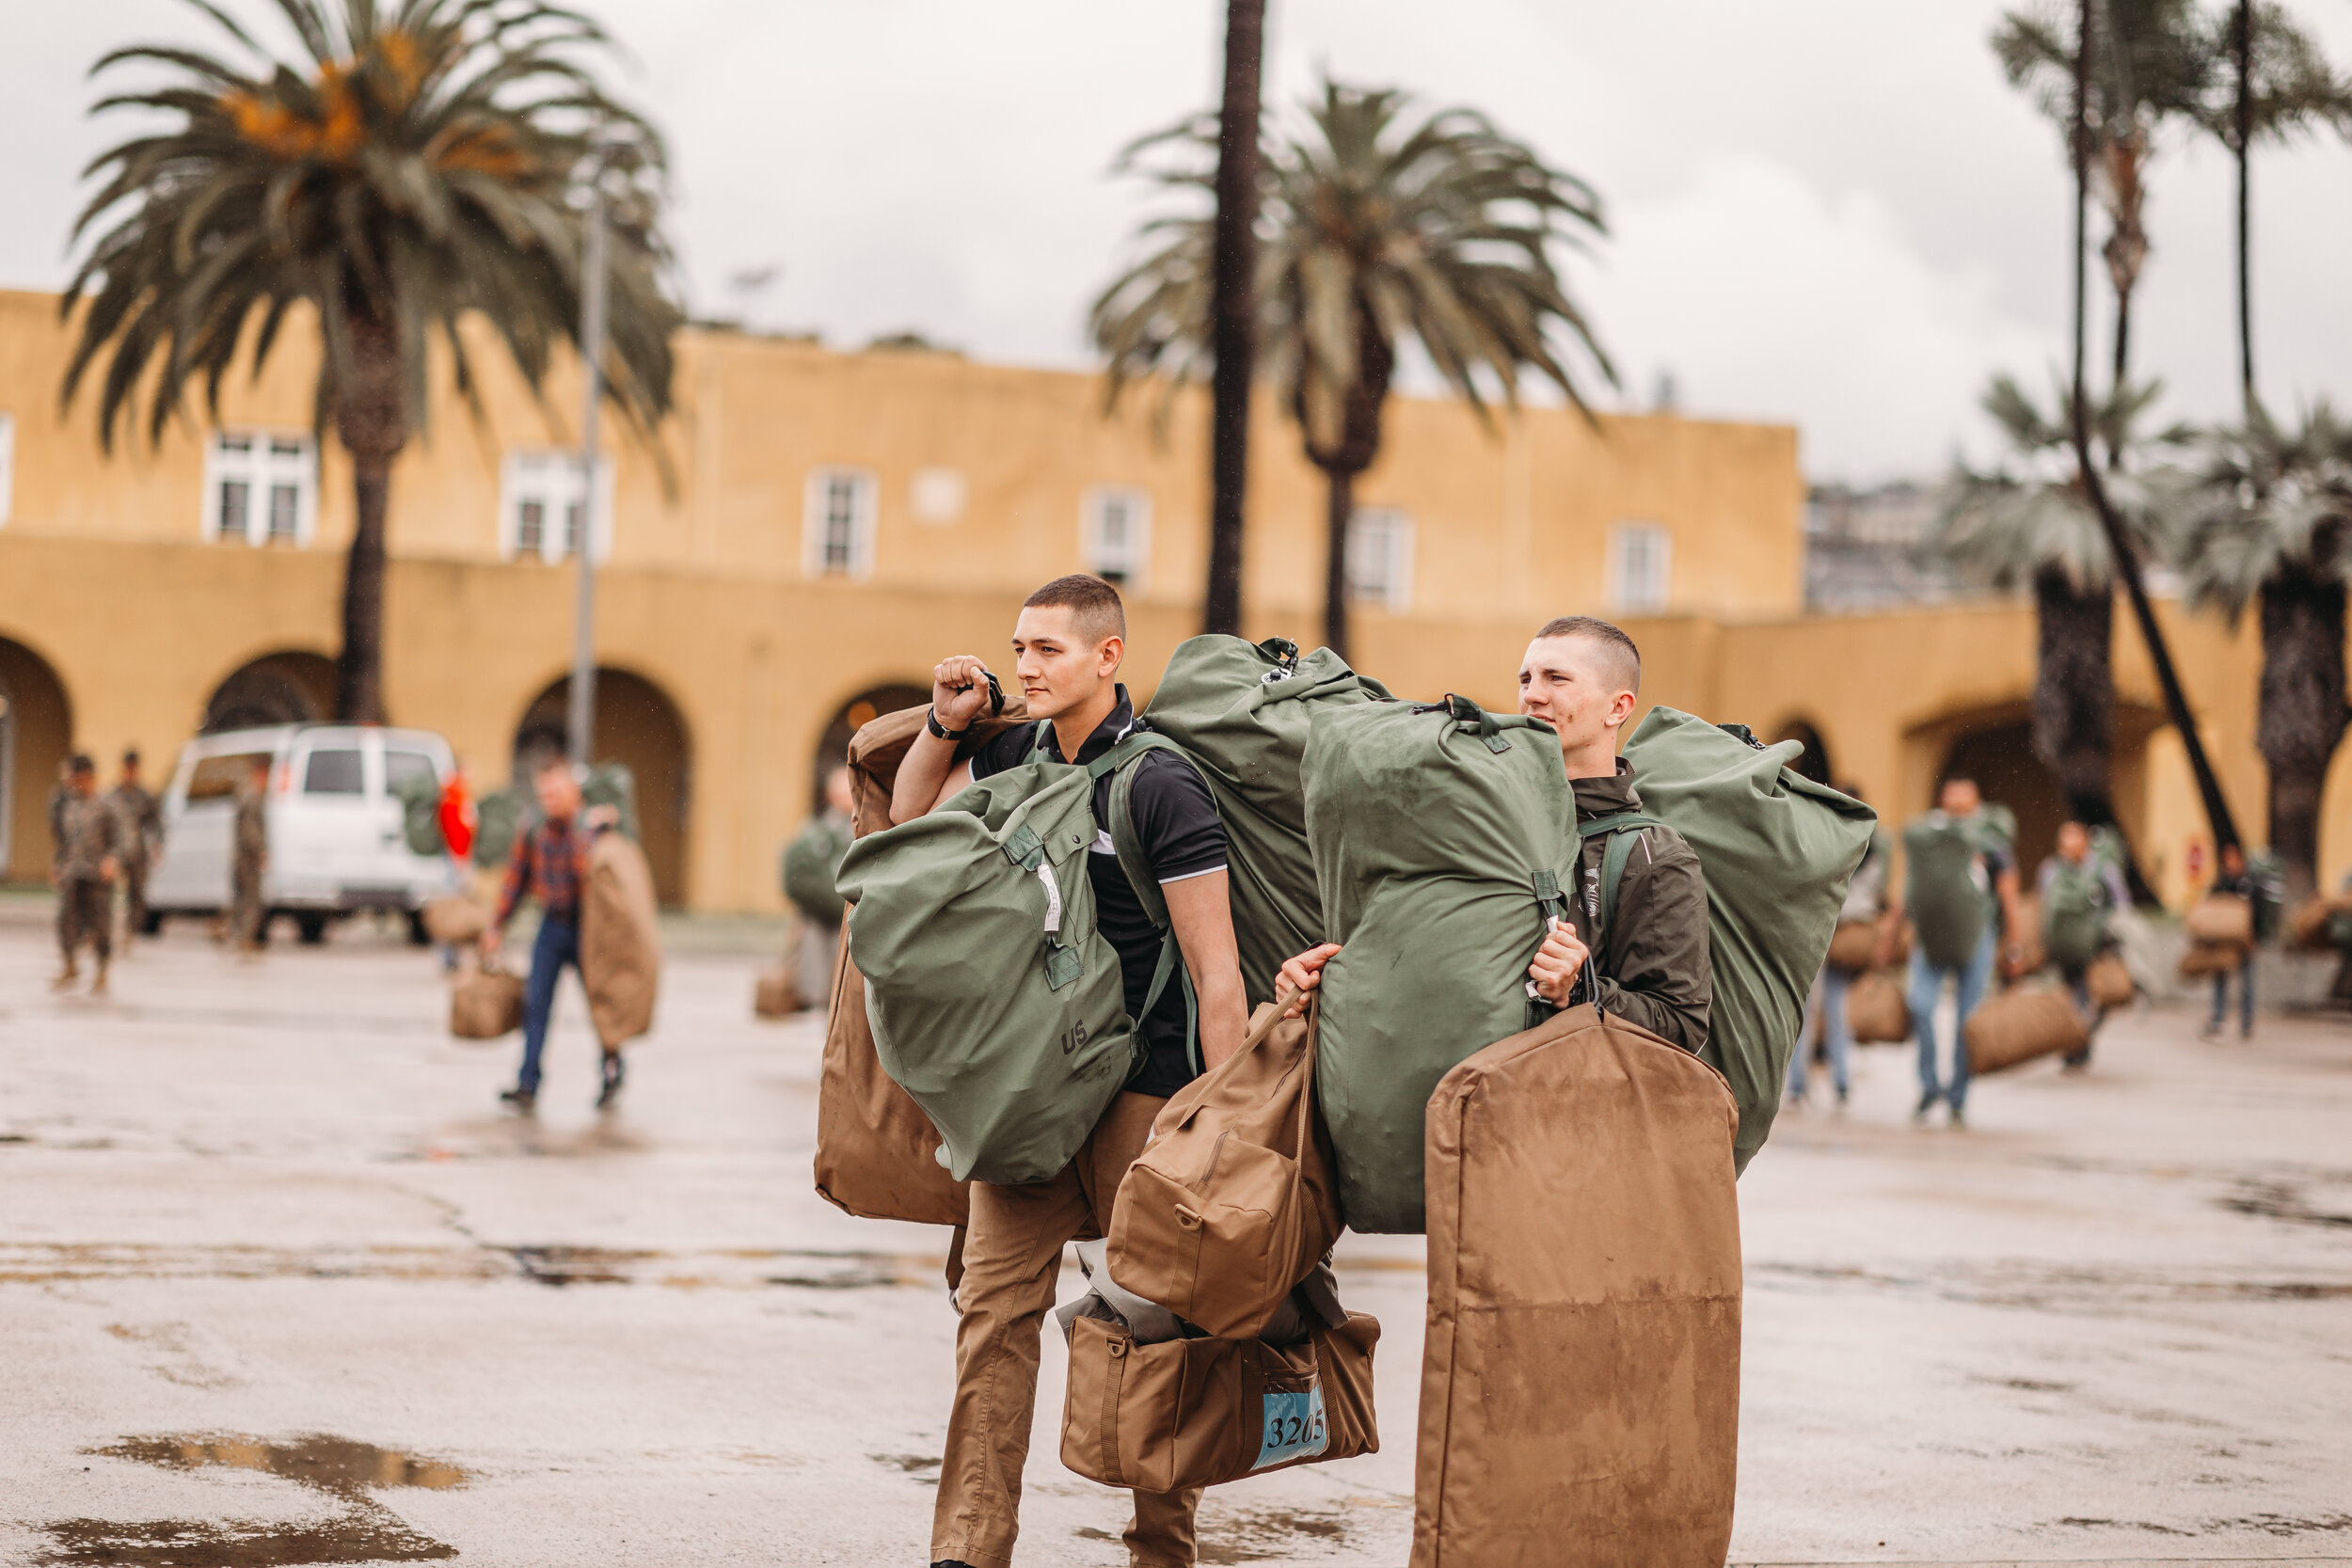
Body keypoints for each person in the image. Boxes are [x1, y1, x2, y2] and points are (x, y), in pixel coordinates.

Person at [887, 574, 1248, 1568]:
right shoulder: (1012, 749)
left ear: (1107, 656)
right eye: (1018, 648)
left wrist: (1222, 1119)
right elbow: (907, 818)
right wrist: (943, 722)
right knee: (991, 1313)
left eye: (1047, 649)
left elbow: (1216, 970)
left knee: (1149, 1325)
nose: (1025, 667)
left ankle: (1161, 1545)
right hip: (1033, 1086)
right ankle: (968, 1546)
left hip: (1146, 1083)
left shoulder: (1159, 783)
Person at [1277, 614, 1713, 1053]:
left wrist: (1580, 992)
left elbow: (1680, 1027)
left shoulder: (1650, 853)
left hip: (1553, 1110)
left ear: (1617, 707)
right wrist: (1320, 975)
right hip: (1443, 1095)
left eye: (1556, 679)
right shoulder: (1472, 817)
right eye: (1526, 678)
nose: (1532, 696)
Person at [484, 757, 625, 1113]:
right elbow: (515, 881)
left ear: (573, 791)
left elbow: (618, 880)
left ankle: (611, 1070)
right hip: (551, 923)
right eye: (544, 793)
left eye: (556, 792)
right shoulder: (533, 829)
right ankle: (527, 1083)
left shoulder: (594, 827)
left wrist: (602, 829)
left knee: (600, 1004)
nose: (549, 799)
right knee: (536, 1004)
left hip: (587, 927)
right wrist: (496, 926)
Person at [1901, 775, 2025, 1129]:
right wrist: (1892, 936)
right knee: (1920, 1006)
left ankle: (1957, 1098)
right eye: (1951, 801)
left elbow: (2009, 895)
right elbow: (1910, 890)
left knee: (1966, 1023)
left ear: (1976, 804)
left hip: (1977, 937)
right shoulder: (1931, 839)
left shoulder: (1990, 842)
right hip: (1931, 937)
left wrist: (2013, 948)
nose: (1956, 807)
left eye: (1963, 801)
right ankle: (1929, 1087)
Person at [1792, 784, 1888, 1107]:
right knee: (1819, 1008)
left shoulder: (1832, 839)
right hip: (1828, 931)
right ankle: (1808, 1082)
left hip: (1831, 933)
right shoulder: (1864, 843)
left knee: (1823, 1009)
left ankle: (1826, 1081)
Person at [2038, 820, 2131, 1068]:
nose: (2068, 848)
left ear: (2085, 844)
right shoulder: (2050, 870)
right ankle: (2075, 1043)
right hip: (2060, 946)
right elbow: (2043, 906)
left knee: (2091, 996)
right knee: (2069, 996)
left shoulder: (2103, 870)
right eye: (2064, 842)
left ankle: (2079, 1041)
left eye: (2074, 841)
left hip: (2095, 947)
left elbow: (2122, 905)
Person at [782, 765, 855, 1008]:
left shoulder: (863, 829)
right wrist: (834, 902)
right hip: (819, 918)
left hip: (850, 920)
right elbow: (796, 877)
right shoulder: (814, 834)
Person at [51, 754, 123, 994]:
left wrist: (112, 860)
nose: (75, 782)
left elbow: (120, 840)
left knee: (101, 925)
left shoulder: (107, 806)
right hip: (73, 871)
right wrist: (58, 864)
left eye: (79, 778)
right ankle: (70, 965)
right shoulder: (66, 804)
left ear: (89, 777)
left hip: (97, 874)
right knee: (65, 920)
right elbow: (63, 841)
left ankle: (102, 971)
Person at [2201, 843, 2261, 1043]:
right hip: (2225, 944)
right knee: (2220, 980)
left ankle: (2246, 1024)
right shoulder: (2221, 882)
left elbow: (2256, 913)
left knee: (2247, 985)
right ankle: (2217, 1020)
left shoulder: (2248, 884)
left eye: (2233, 858)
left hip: (2245, 943)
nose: (2230, 862)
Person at [106, 749, 165, 946]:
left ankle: (130, 931)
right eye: (128, 768)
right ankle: (104, 930)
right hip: (116, 851)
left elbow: (155, 822)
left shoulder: (144, 796)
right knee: (106, 891)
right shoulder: (113, 796)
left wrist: (157, 844)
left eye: (133, 768)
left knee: (137, 894)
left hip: (137, 852)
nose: (130, 772)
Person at [230, 754, 271, 954]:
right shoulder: (252, 797)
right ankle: (244, 938)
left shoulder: (246, 795)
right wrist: (261, 851)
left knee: (242, 899)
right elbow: (250, 831)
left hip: (241, 858)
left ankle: (238, 936)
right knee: (249, 900)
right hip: (248, 859)